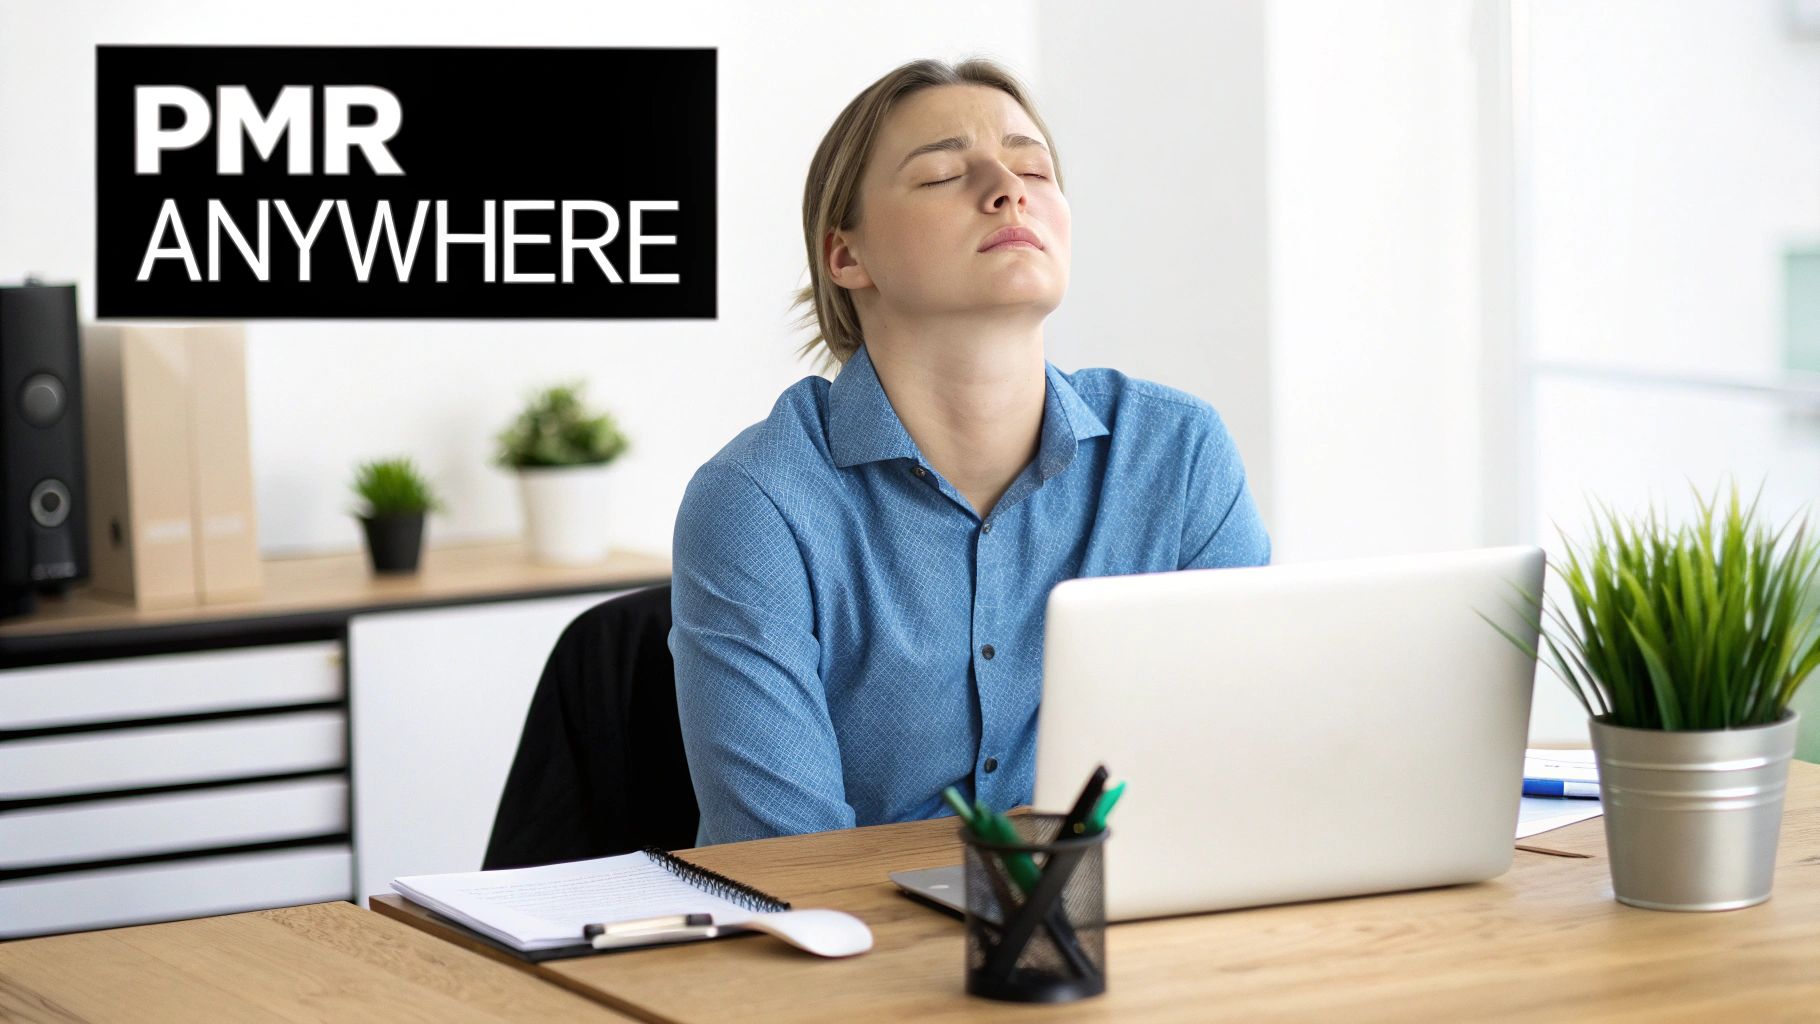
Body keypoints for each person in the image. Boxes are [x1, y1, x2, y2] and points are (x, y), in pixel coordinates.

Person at [670, 57, 1270, 845]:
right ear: (846, 256)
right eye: (944, 173)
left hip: (1143, 932)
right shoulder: (758, 502)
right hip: (858, 952)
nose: (1007, 188)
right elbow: (786, 859)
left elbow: (1249, 769)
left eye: (1033, 167)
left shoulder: (1179, 455)